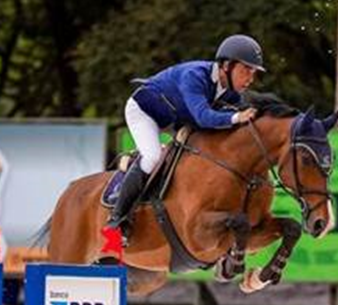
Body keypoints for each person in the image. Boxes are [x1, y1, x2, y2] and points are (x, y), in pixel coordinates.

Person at [106, 34, 265, 233]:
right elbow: (203, 117)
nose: (250, 78)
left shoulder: (231, 92)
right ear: (226, 65)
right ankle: (117, 217)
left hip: (176, 118)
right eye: (246, 70)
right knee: (153, 156)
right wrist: (236, 117)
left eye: (253, 72)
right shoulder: (194, 76)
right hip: (145, 111)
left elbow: (240, 116)